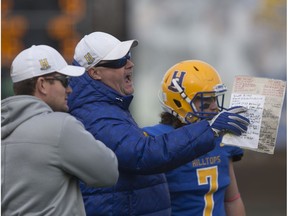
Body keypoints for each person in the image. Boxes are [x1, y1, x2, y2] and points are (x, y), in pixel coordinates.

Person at [68, 31, 250, 216]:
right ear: (95, 72)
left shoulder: (111, 105)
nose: (130, 64)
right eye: (119, 61)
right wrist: (209, 129)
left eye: (128, 57)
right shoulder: (99, 114)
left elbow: (232, 199)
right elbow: (143, 154)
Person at [1, 45, 119, 216]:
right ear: (42, 84)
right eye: (64, 81)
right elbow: (108, 173)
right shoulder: (61, 126)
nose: (69, 89)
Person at [144, 60, 246, 216]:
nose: (214, 107)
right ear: (179, 103)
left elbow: (232, 199)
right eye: (205, 101)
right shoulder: (154, 140)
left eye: (214, 98)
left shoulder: (222, 138)